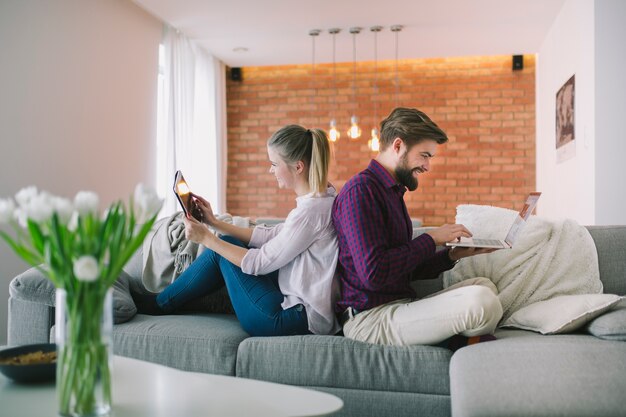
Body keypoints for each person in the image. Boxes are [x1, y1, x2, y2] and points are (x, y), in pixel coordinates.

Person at [137, 125, 340, 336]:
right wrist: (213, 222)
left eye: (274, 164)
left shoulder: (310, 213)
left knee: (221, 249)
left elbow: (258, 263)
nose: (270, 170)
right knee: (226, 242)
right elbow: (272, 235)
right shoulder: (322, 199)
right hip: (300, 309)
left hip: (291, 319)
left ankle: (160, 304)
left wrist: (206, 239)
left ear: (298, 167)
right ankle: (167, 303)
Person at [332, 107, 503, 346]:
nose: (427, 166)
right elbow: (374, 274)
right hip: (370, 319)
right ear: (398, 145)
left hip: (400, 307)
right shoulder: (360, 191)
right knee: (481, 301)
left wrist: (451, 255)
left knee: (484, 286)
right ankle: (464, 340)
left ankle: (463, 338)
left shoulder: (392, 192)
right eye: (424, 155)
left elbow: (404, 270)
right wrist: (431, 239)